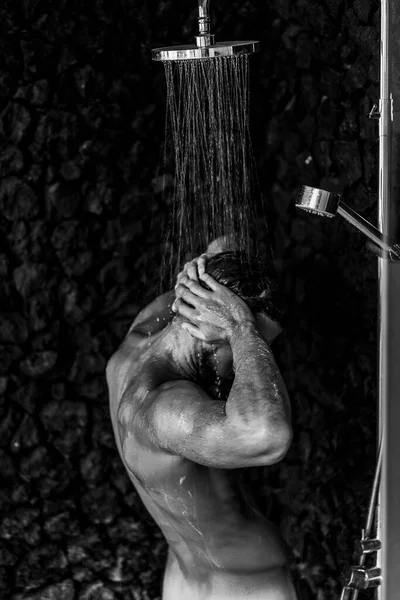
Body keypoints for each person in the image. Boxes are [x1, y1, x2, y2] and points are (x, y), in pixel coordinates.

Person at [106, 239, 298, 600]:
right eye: (247, 345)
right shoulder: (163, 408)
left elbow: (225, 243)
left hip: (184, 577)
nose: (253, 357)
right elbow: (266, 436)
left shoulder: (143, 334)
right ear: (208, 331)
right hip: (243, 589)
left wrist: (207, 275)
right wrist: (241, 326)